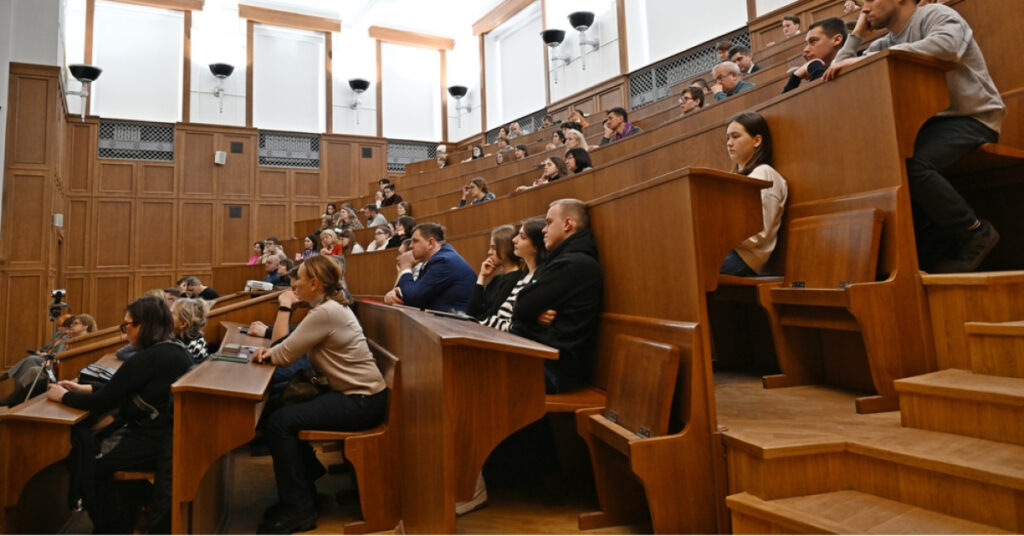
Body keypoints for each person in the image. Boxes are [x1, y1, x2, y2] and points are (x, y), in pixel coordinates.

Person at [825, 0, 1005, 272]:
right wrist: (858, 34)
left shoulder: (936, 14)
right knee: (884, 164)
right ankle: (918, 250)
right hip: (928, 124)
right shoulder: (886, 42)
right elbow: (838, 73)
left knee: (913, 163)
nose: (864, 8)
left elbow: (945, 47)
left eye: (870, 0)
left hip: (973, 117)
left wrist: (868, 58)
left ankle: (974, 231)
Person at [251, 256, 388, 534]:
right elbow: (289, 346)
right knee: (278, 408)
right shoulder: (327, 308)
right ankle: (304, 489)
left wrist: (265, 355)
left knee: (279, 423)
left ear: (314, 283)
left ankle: (298, 509)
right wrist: (272, 352)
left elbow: (286, 354)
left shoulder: (325, 312)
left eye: (299, 279)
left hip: (361, 401)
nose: (294, 285)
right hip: (357, 396)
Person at [48, 296, 193, 533]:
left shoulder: (148, 358)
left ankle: (111, 527)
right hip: (167, 439)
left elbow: (104, 401)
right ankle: (129, 514)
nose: (125, 332)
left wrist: (62, 396)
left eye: (127, 325)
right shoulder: (175, 350)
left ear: (144, 325)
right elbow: (124, 389)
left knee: (90, 464)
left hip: (151, 441)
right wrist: (86, 388)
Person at [510, 199, 602, 394]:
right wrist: (534, 317)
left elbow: (521, 306)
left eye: (549, 222)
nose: (544, 230)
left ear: (568, 224)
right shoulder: (562, 260)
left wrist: (528, 316)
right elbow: (523, 308)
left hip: (554, 369)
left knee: (479, 370)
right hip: (543, 357)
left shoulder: (573, 264)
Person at [720, 112, 788, 277]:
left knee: (684, 271)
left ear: (757, 140)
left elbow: (758, 232)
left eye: (735, 136)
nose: (729, 143)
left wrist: (718, 231)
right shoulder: (736, 177)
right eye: (727, 138)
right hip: (727, 251)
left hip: (743, 257)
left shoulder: (764, 173)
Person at [0, 314, 98, 406]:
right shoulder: (72, 339)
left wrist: (53, 360)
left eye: (76, 323)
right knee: (31, 367)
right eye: (72, 323)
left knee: (33, 370)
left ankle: (14, 401)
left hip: (66, 375)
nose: (72, 326)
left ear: (85, 326)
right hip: (56, 367)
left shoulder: (86, 342)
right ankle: (15, 400)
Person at [383, 223, 476, 313]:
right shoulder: (436, 259)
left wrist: (406, 267)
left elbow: (413, 299)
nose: (410, 246)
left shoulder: (443, 261)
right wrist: (393, 294)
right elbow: (414, 293)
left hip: (455, 321)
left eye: (415, 241)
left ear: (431, 243)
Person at [477, 219, 548, 331]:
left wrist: (480, 323)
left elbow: (514, 322)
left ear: (536, 247)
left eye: (522, 237)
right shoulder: (524, 276)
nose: (514, 240)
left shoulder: (538, 277)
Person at [468, 225, 522, 321]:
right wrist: (482, 276)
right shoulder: (497, 278)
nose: (489, 252)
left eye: (493, 248)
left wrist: (472, 321)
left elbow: (493, 315)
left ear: (506, 248)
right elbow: (472, 311)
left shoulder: (515, 279)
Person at [782, 17, 848, 94]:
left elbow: (825, 94)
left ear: (837, 40)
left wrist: (814, 65)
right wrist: (796, 76)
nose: (805, 49)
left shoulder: (856, 61)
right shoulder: (815, 72)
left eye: (813, 41)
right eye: (807, 44)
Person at [171, 297, 209, 364]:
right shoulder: (196, 338)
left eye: (172, 313)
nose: (167, 315)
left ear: (183, 324)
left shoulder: (179, 349)